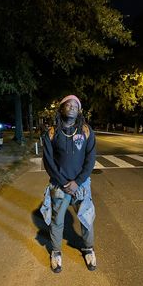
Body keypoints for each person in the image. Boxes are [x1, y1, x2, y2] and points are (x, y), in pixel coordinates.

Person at [40, 95, 96, 273]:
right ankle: (56, 252)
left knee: (86, 218)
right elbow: (49, 162)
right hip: (59, 186)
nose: (72, 107)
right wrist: (65, 183)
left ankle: (88, 249)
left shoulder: (86, 131)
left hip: (81, 185)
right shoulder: (51, 132)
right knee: (57, 220)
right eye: (68, 104)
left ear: (79, 110)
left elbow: (90, 160)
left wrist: (77, 182)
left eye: (76, 105)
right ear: (61, 108)